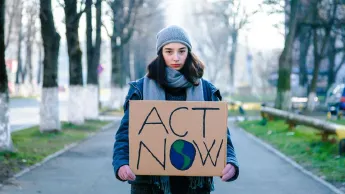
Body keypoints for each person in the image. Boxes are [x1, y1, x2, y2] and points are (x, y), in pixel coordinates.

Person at [112, 25, 239, 194]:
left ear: (188, 52)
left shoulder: (207, 90)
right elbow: (125, 134)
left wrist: (230, 161)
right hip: (149, 185)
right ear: (160, 53)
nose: (176, 57)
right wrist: (121, 163)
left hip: (194, 187)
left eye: (181, 51)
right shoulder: (140, 89)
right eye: (169, 51)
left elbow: (221, 135)